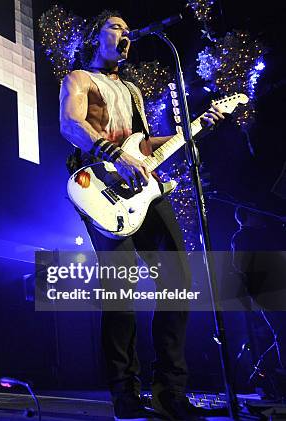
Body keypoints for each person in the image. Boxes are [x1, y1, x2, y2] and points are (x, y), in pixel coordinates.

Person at [59, 10, 224, 421]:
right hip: (99, 187)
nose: (125, 35)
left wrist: (196, 126)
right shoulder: (78, 79)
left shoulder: (132, 88)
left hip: (145, 190)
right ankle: (125, 392)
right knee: (119, 291)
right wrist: (113, 153)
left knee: (178, 281)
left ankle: (171, 390)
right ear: (95, 36)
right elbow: (69, 123)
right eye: (116, 28)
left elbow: (144, 142)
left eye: (129, 31)